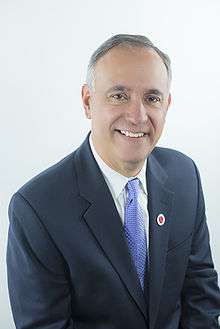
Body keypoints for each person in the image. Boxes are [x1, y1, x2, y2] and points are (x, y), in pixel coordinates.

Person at [7, 34, 220, 329]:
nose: (137, 116)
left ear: (167, 105)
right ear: (87, 101)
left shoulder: (185, 176)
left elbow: (201, 294)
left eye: (152, 98)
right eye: (119, 95)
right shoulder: (36, 209)